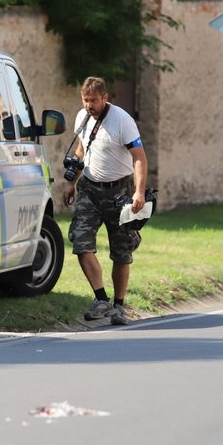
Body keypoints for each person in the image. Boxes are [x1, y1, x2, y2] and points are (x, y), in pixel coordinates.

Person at [62, 77, 147, 326]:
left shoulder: (122, 121)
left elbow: (139, 158)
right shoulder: (82, 117)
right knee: (80, 241)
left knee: (121, 251)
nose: (89, 105)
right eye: (85, 100)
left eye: (94, 101)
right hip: (89, 188)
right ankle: (101, 299)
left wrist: (139, 193)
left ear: (105, 97)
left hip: (120, 191)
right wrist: (71, 182)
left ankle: (119, 306)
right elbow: (81, 150)